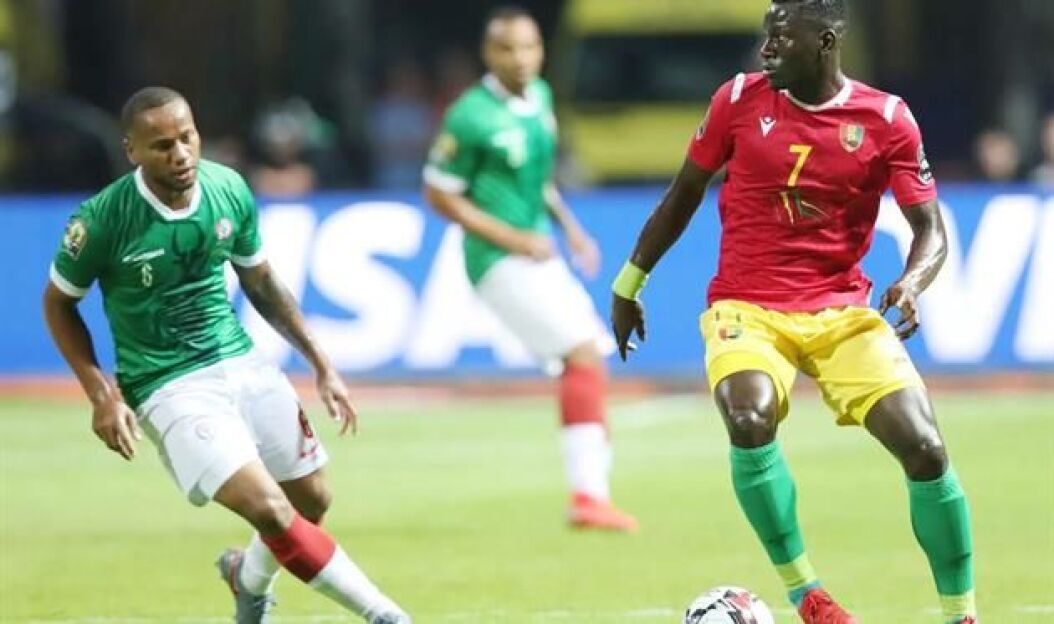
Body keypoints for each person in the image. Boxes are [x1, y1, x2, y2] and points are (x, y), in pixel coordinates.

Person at [610, 2, 975, 623]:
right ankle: (808, 595)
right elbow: (683, 194)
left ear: (825, 41)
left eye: (782, 37)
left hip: (843, 312)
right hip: (747, 308)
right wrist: (628, 283)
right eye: (766, 36)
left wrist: (912, 283)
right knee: (748, 418)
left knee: (926, 449)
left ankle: (961, 613)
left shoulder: (886, 119)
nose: (767, 49)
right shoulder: (736, 100)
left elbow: (930, 230)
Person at [42, 86, 411, 624]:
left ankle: (246, 578)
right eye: (162, 145)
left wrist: (321, 363)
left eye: (187, 137)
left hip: (240, 359)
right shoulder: (102, 220)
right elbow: (58, 304)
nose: (181, 154)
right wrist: (102, 393)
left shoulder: (228, 188)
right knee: (270, 510)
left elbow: (260, 282)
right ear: (132, 151)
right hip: (168, 383)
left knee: (311, 501)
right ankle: (385, 614)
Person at [422, 6, 637, 532]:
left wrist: (571, 229)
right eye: (507, 48)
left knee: (588, 357)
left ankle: (592, 493)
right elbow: (440, 194)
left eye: (528, 47)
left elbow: (538, 179)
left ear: (540, 50)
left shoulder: (539, 97)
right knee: (582, 353)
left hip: (538, 251)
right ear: (488, 54)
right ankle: (588, 497)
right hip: (497, 258)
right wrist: (513, 238)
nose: (519, 58)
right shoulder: (470, 116)